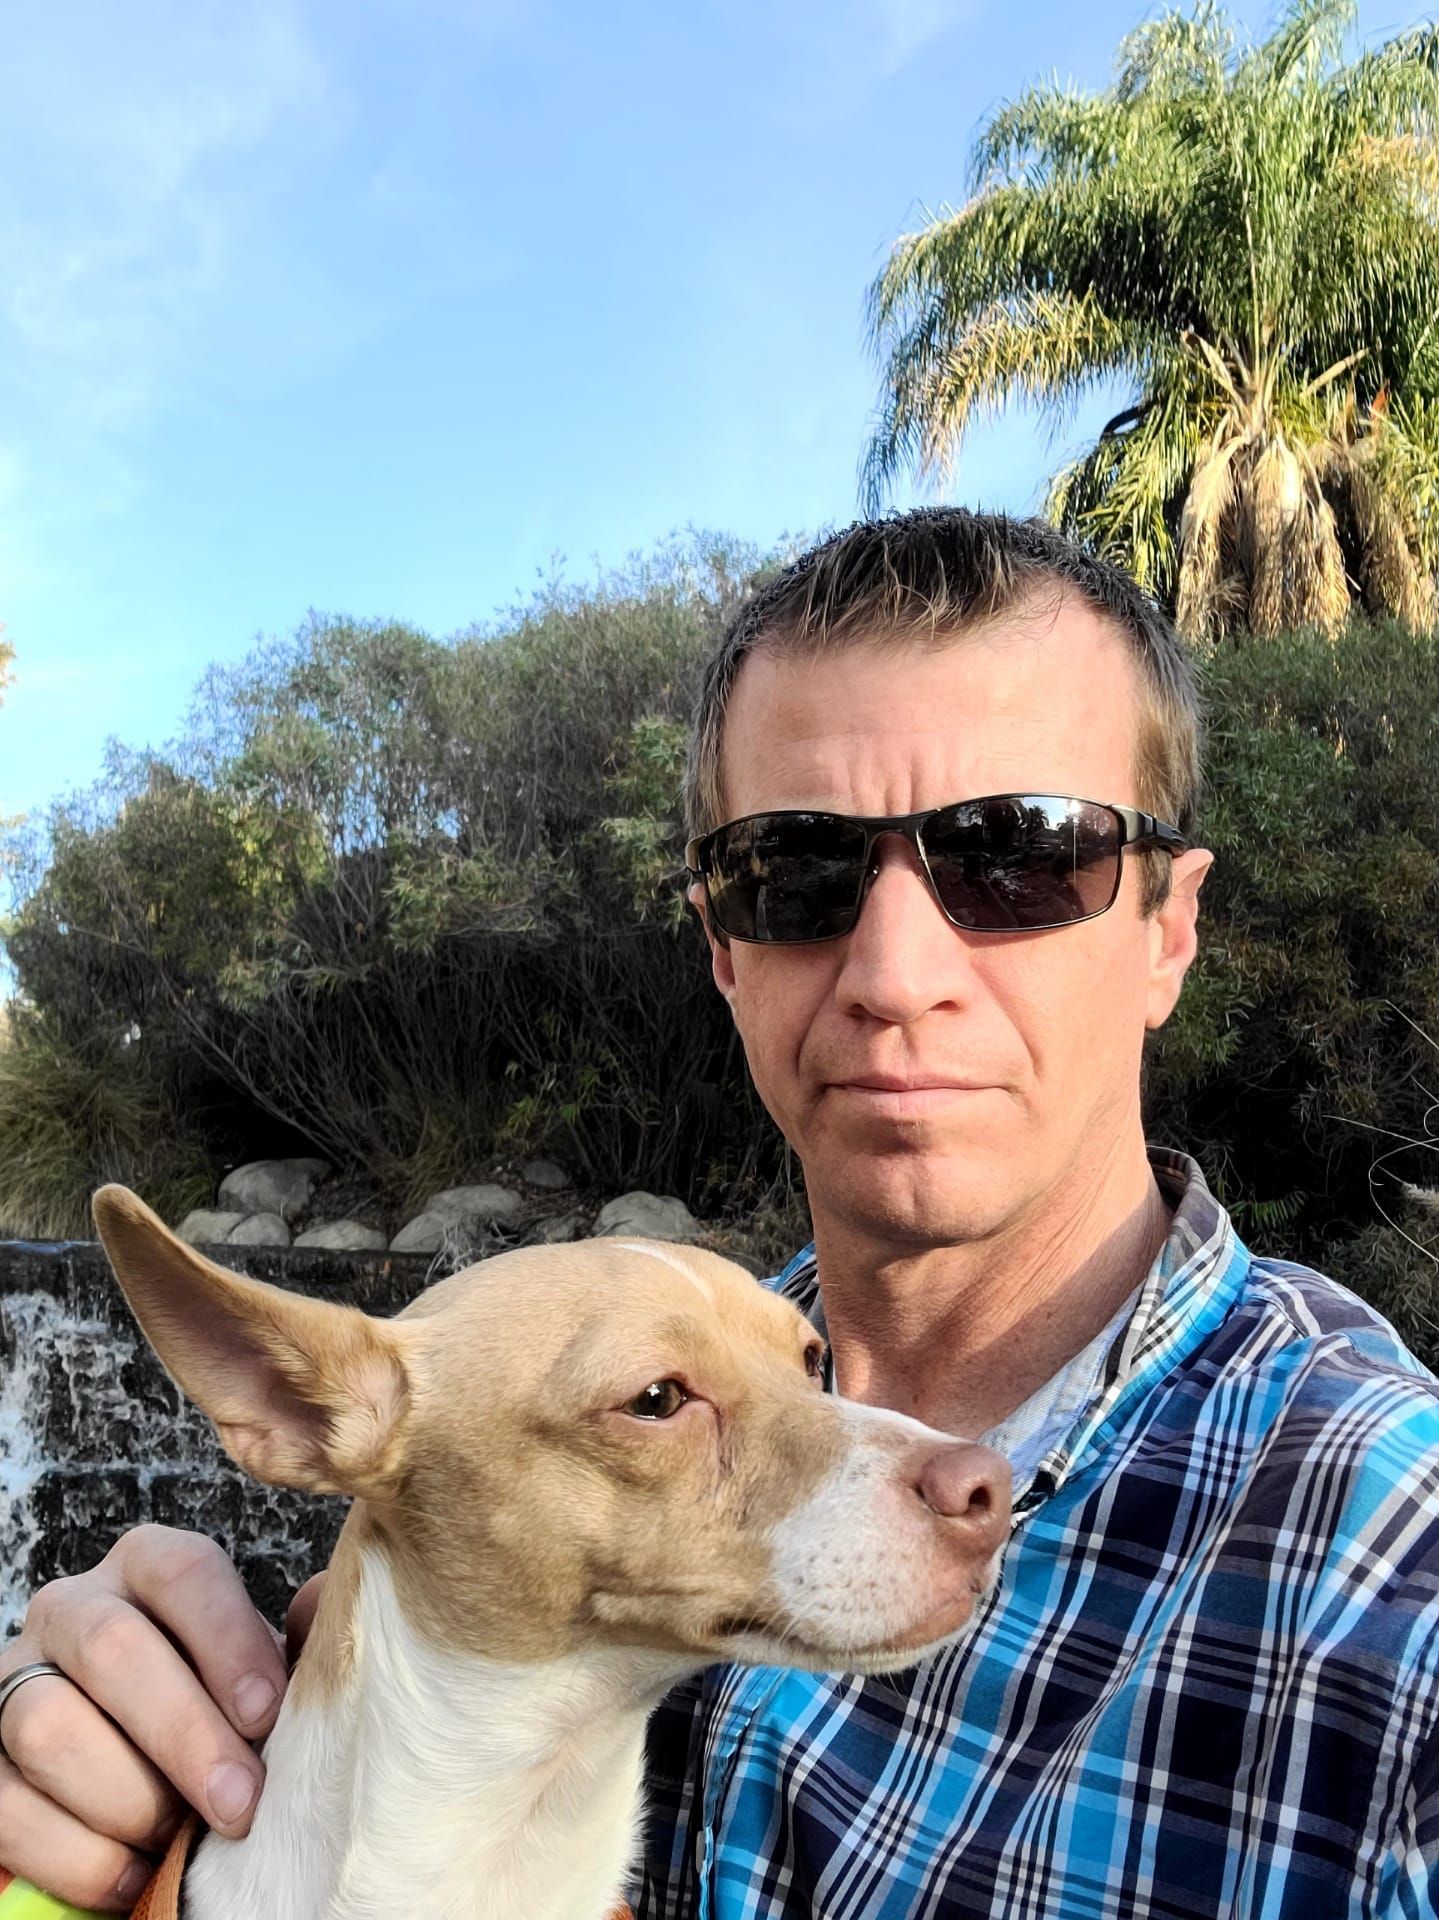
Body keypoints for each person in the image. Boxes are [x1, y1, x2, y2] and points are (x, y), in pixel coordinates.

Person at [3, 508, 1438, 1918]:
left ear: (1167, 928)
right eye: (797, 873)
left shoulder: (1396, 1570)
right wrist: (107, 1780)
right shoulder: (661, 1370)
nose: (894, 969)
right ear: (725, 950)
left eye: (1021, 854)